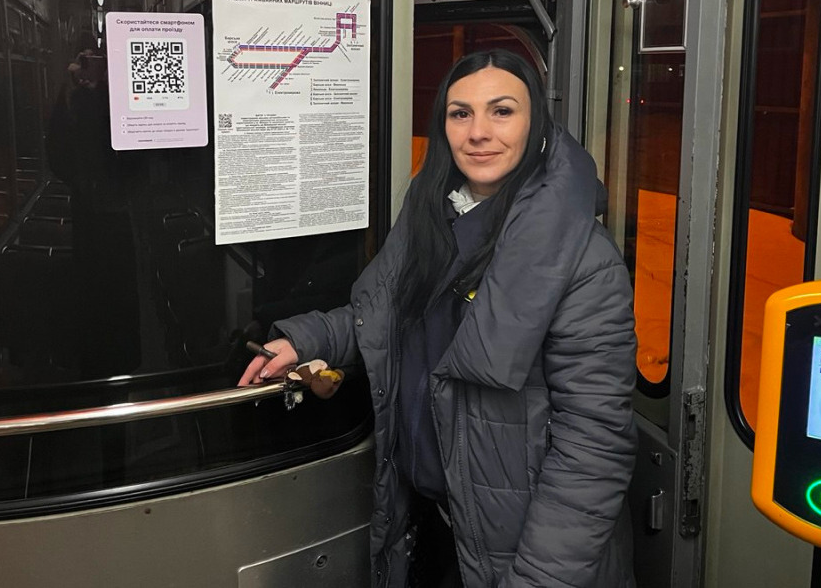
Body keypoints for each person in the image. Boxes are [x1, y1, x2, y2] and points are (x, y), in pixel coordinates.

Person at [238, 50, 635, 588]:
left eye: (502, 111)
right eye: (460, 113)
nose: (478, 132)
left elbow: (593, 448)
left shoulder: (583, 258)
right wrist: (311, 340)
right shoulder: (432, 217)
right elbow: (384, 317)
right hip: (435, 523)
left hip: (521, 550)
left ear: (536, 124)